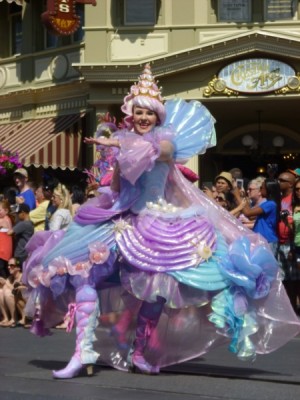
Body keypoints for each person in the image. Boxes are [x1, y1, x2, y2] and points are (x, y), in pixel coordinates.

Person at [23, 64, 300, 379]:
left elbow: (161, 151)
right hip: (120, 220)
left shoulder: (165, 143)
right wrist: (106, 190)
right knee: (82, 275)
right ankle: (81, 353)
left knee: (157, 290)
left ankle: (140, 351)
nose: (143, 118)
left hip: (154, 223)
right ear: (131, 113)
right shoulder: (124, 147)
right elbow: (116, 189)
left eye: (149, 113)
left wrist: (118, 143)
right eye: (138, 112)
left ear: (157, 117)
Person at [276, 171, 300, 313]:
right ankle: (292, 310)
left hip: (293, 245)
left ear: (290, 183)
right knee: (287, 279)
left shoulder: (293, 202)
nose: (278, 183)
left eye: (282, 180)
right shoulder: (280, 199)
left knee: (296, 280)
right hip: (284, 243)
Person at [238, 179, 281, 254]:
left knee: (267, 265)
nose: (260, 190)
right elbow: (251, 217)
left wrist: (237, 195)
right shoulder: (267, 203)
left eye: (262, 188)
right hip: (262, 240)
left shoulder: (270, 204)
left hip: (268, 240)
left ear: (269, 189)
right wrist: (243, 197)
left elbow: (247, 213)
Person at [0, 257, 26, 327]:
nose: (9, 267)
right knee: (0, 291)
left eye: (12, 265)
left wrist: (6, 283)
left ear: (18, 268)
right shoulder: (10, 278)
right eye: (8, 265)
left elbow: (19, 291)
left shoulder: (23, 277)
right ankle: (6, 318)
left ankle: (14, 319)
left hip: (24, 306)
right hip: (15, 304)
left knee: (8, 293)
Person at [0, 200, 14, 278]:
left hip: (2, 250)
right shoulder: (7, 218)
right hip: (3, 249)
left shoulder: (4, 219)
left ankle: (5, 283)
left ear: (6, 210)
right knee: (4, 268)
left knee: (1, 268)